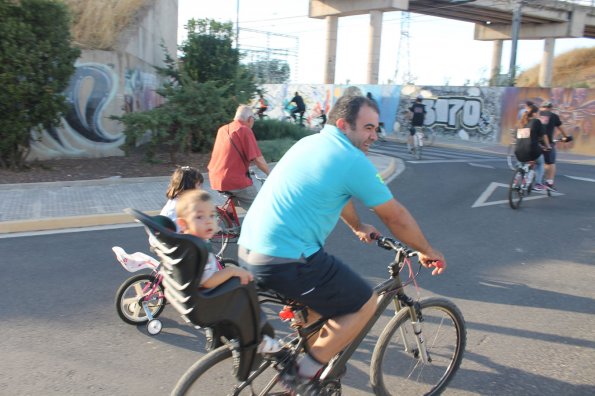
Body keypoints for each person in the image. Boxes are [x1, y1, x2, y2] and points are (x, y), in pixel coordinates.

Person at [237, 94, 445, 389]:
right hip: (286, 258)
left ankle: (310, 371)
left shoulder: (309, 143)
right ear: (343, 125)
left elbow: (339, 194)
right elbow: (394, 216)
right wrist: (427, 250)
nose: (374, 135)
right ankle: (301, 374)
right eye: (368, 128)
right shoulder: (351, 159)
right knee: (364, 303)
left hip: (250, 250)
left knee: (319, 310)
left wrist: (358, 225)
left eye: (376, 128)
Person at [175, 189, 253, 289]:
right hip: (208, 299)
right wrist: (232, 271)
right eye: (199, 217)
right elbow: (207, 281)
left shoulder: (186, 243)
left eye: (212, 215)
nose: (208, 221)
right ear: (183, 223)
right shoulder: (199, 249)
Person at [208, 105, 271, 209]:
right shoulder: (244, 130)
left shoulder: (222, 129)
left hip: (215, 178)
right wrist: (270, 174)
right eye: (254, 119)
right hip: (234, 180)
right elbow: (258, 160)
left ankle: (228, 215)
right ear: (250, 119)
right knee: (259, 209)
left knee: (236, 197)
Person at [514, 104, 551, 188]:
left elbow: (522, 137)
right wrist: (548, 146)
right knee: (540, 163)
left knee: (522, 163)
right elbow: (543, 135)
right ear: (534, 114)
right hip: (531, 150)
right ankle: (538, 184)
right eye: (537, 113)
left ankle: (517, 180)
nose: (538, 115)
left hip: (518, 150)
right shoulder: (536, 121)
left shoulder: (521, 122)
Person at [538, 101, 569, 192]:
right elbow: (561, 128)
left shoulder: (537, 115)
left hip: (534, 142)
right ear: (550, 108)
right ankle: (550, 183)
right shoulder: (553, 116)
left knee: (533, 161)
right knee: (551, 163)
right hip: (546, 143)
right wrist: (566, 137)